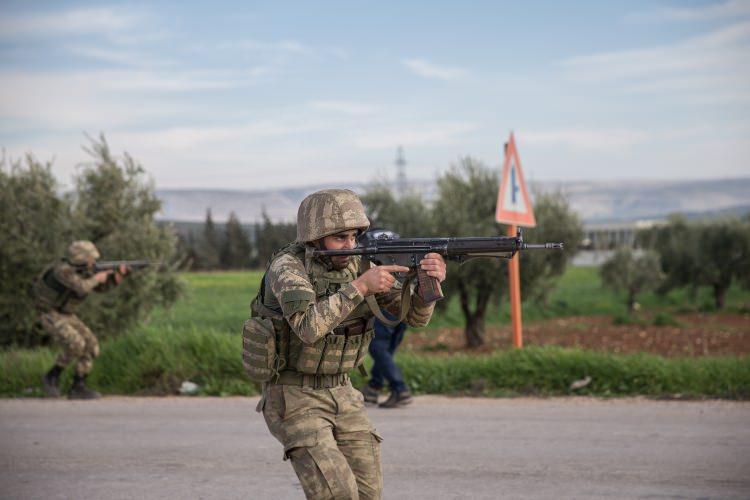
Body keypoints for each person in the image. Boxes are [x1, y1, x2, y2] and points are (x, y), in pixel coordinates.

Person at [251, 189, 446, 499]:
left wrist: (426, 286)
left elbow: (412, 316)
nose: (350, 246)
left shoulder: (357, 264)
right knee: (338, 494)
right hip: (295, 396)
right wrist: (358, 288)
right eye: (340, 238)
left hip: (343, 391)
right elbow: (307, 327)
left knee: (369, 494)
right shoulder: (288, 268)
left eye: (354, 237)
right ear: (316, 238)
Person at [35, 240, 129, 400]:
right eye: (91, 258)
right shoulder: (62, 271)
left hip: (67, 314)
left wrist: (117, 277)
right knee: (76, 344)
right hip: (50, 313)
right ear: (81, 258)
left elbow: (99, 289)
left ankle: (78, 386)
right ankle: (52, 376)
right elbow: (82, 287)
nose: (94, 262)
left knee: (91, 346)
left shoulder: (86, 271)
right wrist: (98, 277)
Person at [361, 313, 410, 408]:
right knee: (386, 350)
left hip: (386, 307)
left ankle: (400, 389)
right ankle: (374, 387)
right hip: (405, 306)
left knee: (377, 347)